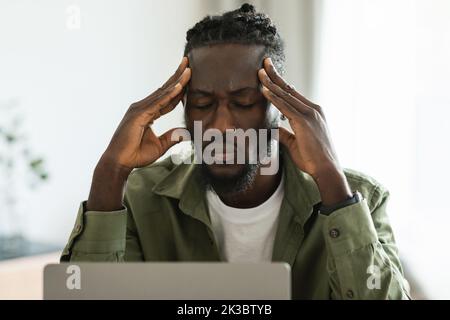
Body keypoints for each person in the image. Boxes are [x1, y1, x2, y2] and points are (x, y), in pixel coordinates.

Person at [61, 3, 410, 299]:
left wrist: (330, 180)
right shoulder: (138, 199)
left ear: (281, 108)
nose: (221, 127)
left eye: (244, 102)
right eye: (201, 102)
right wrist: (110, 171)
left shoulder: (359, 198)